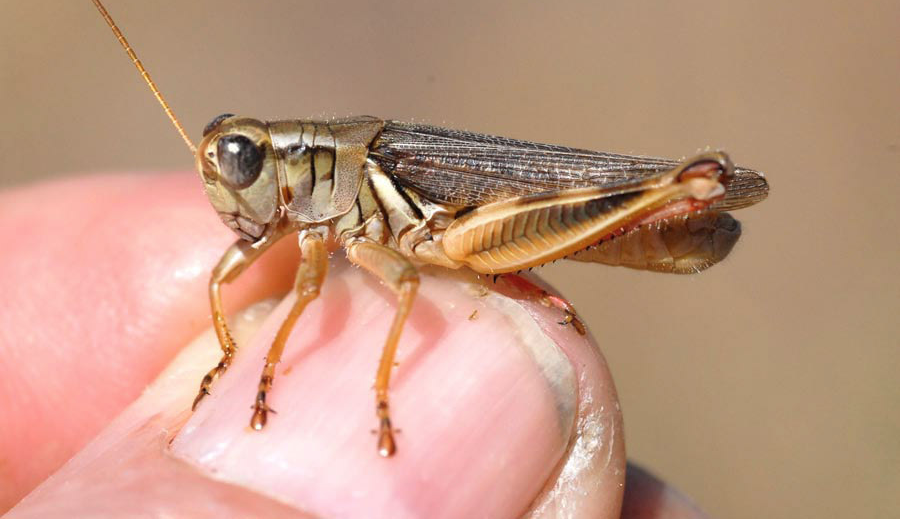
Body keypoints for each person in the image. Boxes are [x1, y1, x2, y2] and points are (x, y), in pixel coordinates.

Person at [1, 173, 708, 518]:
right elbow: (224, 286)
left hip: (495, 217)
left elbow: (402, 281)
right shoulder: (301, 228)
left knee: (400, 283)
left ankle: (679, 188)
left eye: (242, 161)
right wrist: (228, 356)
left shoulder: (353, 188)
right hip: (459, 236)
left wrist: (374, 397)